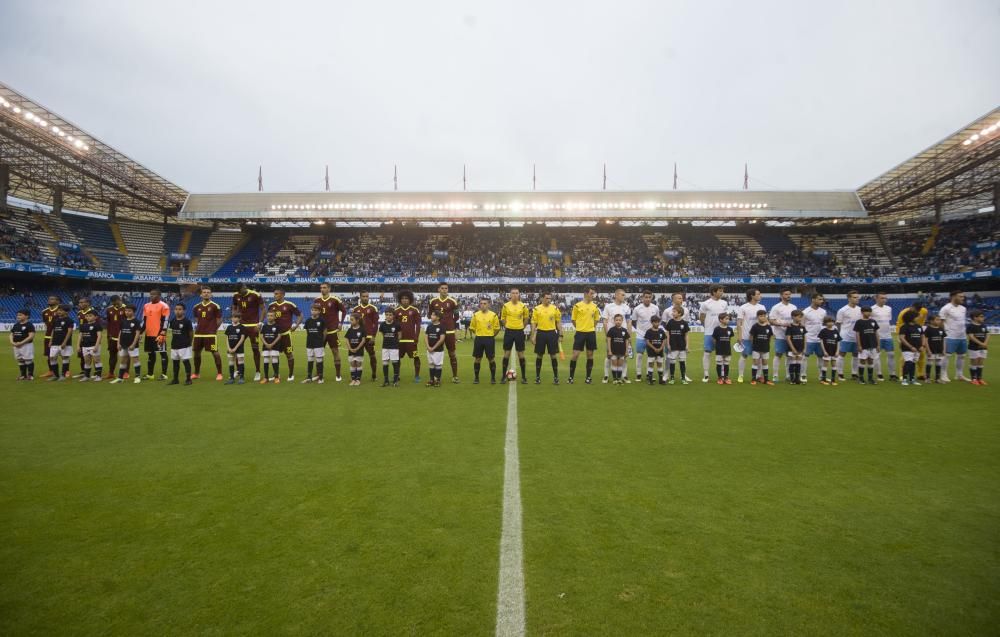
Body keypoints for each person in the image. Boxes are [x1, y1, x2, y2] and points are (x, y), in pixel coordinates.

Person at [427, 283, 461, 382]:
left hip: (449, 331)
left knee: (452, 354)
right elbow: (430, 315)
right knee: (435, 353)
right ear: (439, 289)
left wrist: (450, 325)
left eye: (446, 288)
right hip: (436, 332)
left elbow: (457, 316)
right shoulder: (432, 301)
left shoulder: (453, 301)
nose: (444, 290)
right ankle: (435, 377)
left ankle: (455, 376)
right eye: (442, 288)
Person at [314, 283, 347, 381]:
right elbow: (315, 313)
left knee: (335, 351)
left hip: (332, 330)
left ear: (329, 289)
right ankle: (318, 374)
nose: (322, 289)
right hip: (320, 331)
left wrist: (341, 322)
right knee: (319, 353)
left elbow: (344, 311)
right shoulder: (317, 300)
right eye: (321, 288)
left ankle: (338, 375)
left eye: (324, 288)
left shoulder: (335, 299)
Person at [268, 288, 302, 381]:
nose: (274, 295)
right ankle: (276, 374)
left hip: (286, 334)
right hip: (275, 335)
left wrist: (295, 325)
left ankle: (291, 375)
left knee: (289, 354)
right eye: (274, 293)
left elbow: (300, 315)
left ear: (282, 294)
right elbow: (270, 318)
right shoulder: (271, 305)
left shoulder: (289, 305)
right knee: (275, 355)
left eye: (276, 294)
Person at [569, 287, 601, 384]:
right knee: (575, 355)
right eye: (591, 293)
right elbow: (573, 320)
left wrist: (590, 328)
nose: (593, 295)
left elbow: (596, 320)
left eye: (593, 294)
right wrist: (580, 328)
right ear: (586, 294)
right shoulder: (577, 306)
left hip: (591, 333)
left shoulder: (595, 306)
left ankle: (588, 377)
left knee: (590, 355)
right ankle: (571, 377)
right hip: (580, 333)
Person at [232, 284, 265, 381]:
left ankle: (258, 371)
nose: (244, 290)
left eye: (244, 288)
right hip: (241, 326)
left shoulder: (255, 295)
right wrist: (235, 318)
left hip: (253, 326)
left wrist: (260, 323)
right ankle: (238, 370)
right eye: (241, 290)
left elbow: (263, 309)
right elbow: (234, 308)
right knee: (237, 348)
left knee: (255, 349)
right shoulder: (235, 296)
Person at [530, 291, 562, 385]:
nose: (549, 300)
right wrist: (533, 335)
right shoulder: (537, 309)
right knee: (539, 355)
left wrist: (561, 334)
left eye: (550, 298)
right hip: (541, 333)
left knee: (553, 355)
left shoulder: (555, 308)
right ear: (542, 298)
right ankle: (537, 377)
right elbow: (534, 323)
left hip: (552, 333)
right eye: (547, 298)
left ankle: (556, 377)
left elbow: (558, 322)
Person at [192, 287, 223, 381]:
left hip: (210, 335)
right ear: (201, 294)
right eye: (204, 292)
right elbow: (197, 319)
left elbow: (219, 320)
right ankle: (197, 373)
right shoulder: (196, 307)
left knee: (215, 353)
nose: (206, 294)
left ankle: (219, 373)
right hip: (198, 334)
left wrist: (213, 330)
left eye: (208, 292)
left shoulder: (215, 306)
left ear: (211, 294)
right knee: (196, 353)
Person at [736, 289, 767, 383]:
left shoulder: (762, 306)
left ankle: (758, 376)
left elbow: (765, 320)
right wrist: (739, 336)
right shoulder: (743, 307)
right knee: (744, 355)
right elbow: (739, 323)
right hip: (746, 336)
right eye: (758, 294)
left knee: (760, 357)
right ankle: (740, 375)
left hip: (760, 337)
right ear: (752, 296)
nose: (760, 295)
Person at [699, 285, 729, 383]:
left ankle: (723, 375)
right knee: (707, 353)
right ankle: (706, 374)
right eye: (720, 291)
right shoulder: (705, 304)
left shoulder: (724, 303)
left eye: (722, 291)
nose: (722, 293)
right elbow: (702, 317)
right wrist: (707, 327)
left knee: (723, 354)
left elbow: (725, 317)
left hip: (722, 333)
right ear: (713, 292)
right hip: (709, 332)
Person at [602, 289, 632, 384]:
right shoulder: (608, 307)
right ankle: (606, 376)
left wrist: (629, 336)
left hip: (623, 336)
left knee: (624, 357)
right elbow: (605, 322)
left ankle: (624, 376)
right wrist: (607, 336)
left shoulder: (627, 307)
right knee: (609, 356)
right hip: (612, 336)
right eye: (622, 295)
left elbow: (629, 322)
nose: (624, 296)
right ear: (616, 295)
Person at [938, 290, 969, 383]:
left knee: (962, 356)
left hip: (962, 336)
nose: (962, 298)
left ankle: (959, 375)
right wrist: (944, 334)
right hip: (950, 336)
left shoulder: (963, 308)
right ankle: (943, 374)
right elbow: (941, 323)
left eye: (963, 296)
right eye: (960, 296)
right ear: (953, 297)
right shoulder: (946, 308)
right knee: (946, 356)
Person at [501, 288, 530, 384]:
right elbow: (503, 318)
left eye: (516, 293)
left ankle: (524, 377)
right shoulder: (505, 306)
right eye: (513, 293)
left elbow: (526, 318)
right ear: (510, 295)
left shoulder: (523, 306)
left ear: (519, 295)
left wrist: (521, 327)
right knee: (506, 354)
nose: (514, 295)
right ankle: (503, 376)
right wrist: (507, 326)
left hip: (519, 332)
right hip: (509, 331)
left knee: (521, 354)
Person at [630, 290, 660, 382]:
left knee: (650, 356)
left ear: (651, 298)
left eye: (649, 297)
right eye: (645, 297)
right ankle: (638, 374)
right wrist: (640, 330)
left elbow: (657, 320)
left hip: (652, 336)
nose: (647, 299)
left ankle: (648, 374)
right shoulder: (637, 309)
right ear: (642, 298)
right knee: (639, 355)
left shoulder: (655, 308)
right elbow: (633, 322)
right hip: (640, 335)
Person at [768, 287, 796, 383]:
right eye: (786, 294)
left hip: (791, 335)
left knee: (790, 355)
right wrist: (783, 324)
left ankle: (788, 375)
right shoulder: (776, 307)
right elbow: (771, 321)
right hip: (780, 334)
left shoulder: (793, 307)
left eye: (789, 294)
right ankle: (775, 375)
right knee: (778, 354)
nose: (788, 296)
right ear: (781, 296)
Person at [353, 291, 382, 382]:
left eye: (367, 296)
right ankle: (356, 376)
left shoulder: (373, 308)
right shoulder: (356, 309)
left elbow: (376, 324)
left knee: (372, 356)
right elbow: (353, 324)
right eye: (364, 296)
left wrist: (373, 336)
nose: (366, 298)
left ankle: (374, 374)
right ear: (360, 297)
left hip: (369, 336)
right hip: (357, 337)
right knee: (356, 357)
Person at [394, 291, 423, 383]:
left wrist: (416, 337)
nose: (404, 300)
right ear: (400, 300)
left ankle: (417, 375)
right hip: (400, 340)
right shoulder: (396, 311)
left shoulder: (415, 310)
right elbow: (394, 326)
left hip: (411, 340)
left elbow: (418, 325)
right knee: (397, 358)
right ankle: (397, 375)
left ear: (410, 299)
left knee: (416, 357)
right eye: (403, 298)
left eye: (406, 298)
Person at [142, 289, 171, 380]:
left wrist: (163, 332)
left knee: (162, 353)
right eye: (150, 294)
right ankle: (150, 374)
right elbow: (144, 320)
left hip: (159, 334)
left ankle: (164, 374)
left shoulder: (164, 306)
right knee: (150, 354)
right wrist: (140, 332)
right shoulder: (146, 305)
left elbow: (165, 320)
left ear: (159, 296)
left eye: (154, 294)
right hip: (149, 334)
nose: (151, 296)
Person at [470, 297, 500, 385]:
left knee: (491, 359)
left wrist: (491, 335)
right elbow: (472, 327)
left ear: (489, 305)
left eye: (485, 303)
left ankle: (493, 378)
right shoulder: (476, 315)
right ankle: (476, 378)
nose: (482, 305)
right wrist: (478, 333)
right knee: (477, 359)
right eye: (481, 303)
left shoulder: (493, 315)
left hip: (489, 339)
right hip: (479, 338)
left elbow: (497, 328)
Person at [111, 304, 143, 384]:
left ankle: (137, 377)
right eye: (126, 311)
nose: (127, 312)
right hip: (123, 344)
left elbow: (137, 334)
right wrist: (118, 343)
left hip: (132, 345)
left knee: (135, 359)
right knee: (123, 360)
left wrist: (133, 344)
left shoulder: (136, 321)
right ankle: (120, 378)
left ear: (134, 312)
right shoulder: (123, 321)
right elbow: (120, 332)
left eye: (129, 311)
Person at [835, 290, 863, 381]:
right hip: (845, 336)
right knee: (842, 354)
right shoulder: (842, 310)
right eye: (854, 297)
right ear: (849, 298)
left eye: (857, 297)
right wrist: (839, 336)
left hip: (856, 337)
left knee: (856, 355)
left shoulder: (860, 310)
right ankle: (840, 373)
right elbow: (838, 324)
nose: (857, 299)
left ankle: (854, 373)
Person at [801, 293, 827, 384]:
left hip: (819, 339)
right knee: (804, 357)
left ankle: (821, 376)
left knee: (821, 357)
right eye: (819, 299)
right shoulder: (805, 312)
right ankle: (803, 375)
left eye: (822, 299)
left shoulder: (823, 312)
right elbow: (802, 326)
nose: (821, 301)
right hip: (808, 338)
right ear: (813, 299)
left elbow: (823, 325)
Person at [871, 292, 896, 382]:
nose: (884, 300)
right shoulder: (872, 309)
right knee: (877, 356)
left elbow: (888, 321)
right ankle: (879, 374)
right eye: (882, 298)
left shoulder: (889, 308)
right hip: (877, 336)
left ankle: (892, 374)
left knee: (891, 354)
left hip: (888, 336)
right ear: (876, 298)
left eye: (885, 298)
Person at [167, 303, 194, 386]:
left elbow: (191, 333)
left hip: (184, 345)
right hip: (174, 345)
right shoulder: (172, 321)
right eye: (176, 309)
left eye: (180, 309)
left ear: (184, 311)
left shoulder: (187, 321)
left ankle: (188, 379)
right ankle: (175, 379)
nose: (177, 311)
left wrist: (189, 342)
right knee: (175, 363)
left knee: (186, 362)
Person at [853, 306, 880, 385]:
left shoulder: (873, 321)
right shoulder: (859, 322)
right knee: (862, 361)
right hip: (863, 345)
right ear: (862, 312)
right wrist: (859, 345)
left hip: (872, 345)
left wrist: (878, 344)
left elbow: (876, 333)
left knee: (871, 360)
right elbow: (857, 334)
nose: (868, 313)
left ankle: (870, 378)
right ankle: (861, 378)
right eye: (866, 311)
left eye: (869, 311)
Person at [47, 305, 74, 381]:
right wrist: (51, 340)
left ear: (66, 312)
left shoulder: (69, 320)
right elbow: (53, 330)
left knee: (65, 357)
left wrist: (65, 342)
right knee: (52, 358)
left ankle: (63, 375)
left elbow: (69, 332)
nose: (59, 312)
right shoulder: (56, 320)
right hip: (55, 342)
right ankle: (55, 375)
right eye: (58, 310)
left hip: (64, 343)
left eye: (61, 310)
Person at [302, 304, 327, 384]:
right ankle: (309, 377)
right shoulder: (308, 321)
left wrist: (321, 341)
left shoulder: (322, 320)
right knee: (310, 360)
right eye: (312, 310)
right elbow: (307, 332)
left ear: (319, 311)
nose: (314, 311)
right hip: (309, 343)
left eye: (316, 310)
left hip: (318, 344)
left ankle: (321, 378)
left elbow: (325, 332)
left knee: (319, 360)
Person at [665, 306, 690, 385]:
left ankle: (683, 378)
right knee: (672, 362)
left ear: (679, 313)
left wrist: (687, 346)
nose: (672, 313)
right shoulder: (670, 322)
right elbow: (668, 334)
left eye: (674, 312)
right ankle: (672, 378)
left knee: (682, 362)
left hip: (682, 346)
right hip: (673, 346)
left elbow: (686, 335)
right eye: (673, 311)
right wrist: (668, 344)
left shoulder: (684, 323)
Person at [898, 311, 924, 387]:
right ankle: (904, 379)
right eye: (916, 316)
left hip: (918, 348)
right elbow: (902, 338)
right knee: (908, 362)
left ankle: (912, 379)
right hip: (907, 348)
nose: (918, 318)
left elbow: (922, 336)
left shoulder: (918, 326)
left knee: (913, 363)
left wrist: (922, 345)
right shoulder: (904, 326)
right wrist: (910, 347)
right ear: (911, 317)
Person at [74, 297, 98, 378]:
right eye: (79, 302)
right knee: (82, 356)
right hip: (83, 337)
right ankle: (83, 371)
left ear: (87, 303)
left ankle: (96, 372)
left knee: (95, 357)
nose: (79, 304)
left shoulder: (93, 311)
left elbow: (97, 326)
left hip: (92, 338)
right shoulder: (79, 313)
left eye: (82, 302)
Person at [749, 310, 774, 386]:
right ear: (757, 317)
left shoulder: (768, 327)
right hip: (756, 348)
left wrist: (766, 345)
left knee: (765, 363)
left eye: (764, 316)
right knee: (755, 363)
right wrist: (754, 346)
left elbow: (770, 337)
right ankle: (753, 379)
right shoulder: (755, 326)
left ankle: (766, 380)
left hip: (765, 348)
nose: (763, 317)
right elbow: (751, 337)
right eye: (761, 316)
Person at [77, 311, 103, 382]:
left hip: (94, 345)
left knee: (97, 360)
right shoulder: (83, 325)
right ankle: (87, 376)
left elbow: (99, 336)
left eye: (90, 316)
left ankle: (98, 376)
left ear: (95, 317)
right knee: (87, 361)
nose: (88, 317)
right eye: (87, 316)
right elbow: (80, 336)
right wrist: (78, 346)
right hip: (85, 346)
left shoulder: (97, 325)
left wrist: (96, 346)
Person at [379, 307, 402, 387]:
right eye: (387, 315)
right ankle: (386, 380)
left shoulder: (397, 324)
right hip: (385, 346)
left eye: (390, 315)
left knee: (395, 363)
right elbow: (382, 334)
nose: (388, 316)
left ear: (393, 316)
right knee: (385, 363)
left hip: (394, 347)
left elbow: (399, 335)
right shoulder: (382, 325)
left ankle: (395, 381)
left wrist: (395, 341)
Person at [104, 295, 126, 379]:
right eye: (113, 303)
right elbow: (109, 323)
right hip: (112, 336)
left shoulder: (126, 308)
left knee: (125, 355)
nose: (114, 304)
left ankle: (125, 372)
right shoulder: (109, 309)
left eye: (115, 302)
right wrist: (108, 335)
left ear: (119, 300)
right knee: (112, 355)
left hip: (123, 336)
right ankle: (111, 372)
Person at [10, 309, 35, 380]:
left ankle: (30, 375)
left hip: (26, 345)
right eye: (18, 315)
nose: (18, 316)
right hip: (16, 345)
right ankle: (23, 375)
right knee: (20, 359)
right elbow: (11, 334)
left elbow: (31, 336)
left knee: (28, 359)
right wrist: (12, 342)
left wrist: (21, 343)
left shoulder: (29, 325)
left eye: (20, 315)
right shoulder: (16, 325)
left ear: (27, 316)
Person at [605, 314, 630, 385]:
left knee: (620, 365)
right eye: (616, 320)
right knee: (614, 364)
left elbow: (627, 341)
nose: (618, 321)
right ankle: (614, 379)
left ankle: (619, 379)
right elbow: (609, 340)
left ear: (622, 321)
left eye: (619, 320)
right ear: (614, 321)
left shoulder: (624, 330)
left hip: (622, 351)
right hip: (613, 351)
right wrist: (609, 351)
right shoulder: (611, 330)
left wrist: (626, 351)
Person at [224, 313, 247, 385]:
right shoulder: (229, 327)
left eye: (236, 317)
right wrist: (228, 348)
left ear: (239, 318)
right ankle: (231, 378)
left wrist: (235, 348)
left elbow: (242, 338)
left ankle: (241, 378)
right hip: (230, 348)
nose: (234, 319)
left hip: (239, 348)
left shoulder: (242, 327)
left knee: (240, 361)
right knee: (231, 362)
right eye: (233, 317)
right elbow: (227, 338)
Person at [424, 310, 446, 387]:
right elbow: (426, 337)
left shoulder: (442, 327)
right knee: (431, 364)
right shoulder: (429, 326)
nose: (431, 316)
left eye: (433, 315)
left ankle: (437, 380)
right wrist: (428, 347)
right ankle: (431, 380)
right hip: (429, 349)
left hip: (438, 350)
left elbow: (442, 339)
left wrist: (433, 348)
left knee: (438, 365)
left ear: (438, 317)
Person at [967, 310, 989, 385]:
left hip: (983, 347)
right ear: (975, 318)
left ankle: (979, 378)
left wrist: (985, 343)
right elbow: (971, 336)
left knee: (981, 362)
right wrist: (981, 343)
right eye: (981, 316)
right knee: (974, 362)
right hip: (974, 347)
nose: (983, 318)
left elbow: (988, 334)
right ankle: (973, 379)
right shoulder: (970, 326)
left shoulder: (984, 325)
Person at [712, 312, 734, 385]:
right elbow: (714, 339)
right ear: (721, 320)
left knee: (726, 363)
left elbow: (729, 339)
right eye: (726, 319)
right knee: (719, 363)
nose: (728, 320)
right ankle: (720, 378)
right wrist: (716, 347)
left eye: (728, 319)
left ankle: (726, 377)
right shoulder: (717, 329)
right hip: (719, 349)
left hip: (727, 349)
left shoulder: (730, 329)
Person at [644, 315, 667, 385]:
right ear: (652, 322)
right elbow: (647, 341)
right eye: (655, 322)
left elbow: (664, 340)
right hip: (651, 351)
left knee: (660, 364)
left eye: (658, 322)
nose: (656, 324)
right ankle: (650, 380)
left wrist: (660, 348)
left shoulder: (661, 331)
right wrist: (654, 348)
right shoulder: (649, 331)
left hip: (660, 351)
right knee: (651, 364)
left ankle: (661, 380)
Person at [818, 316, 841, 385]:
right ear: (825, 323)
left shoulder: (836, 331)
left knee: (834, 365)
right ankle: (823, 379)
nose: (830, 323)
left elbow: (838, 342)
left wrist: (837, 351)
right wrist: (824, 351)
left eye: (831, 322)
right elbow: (821, 342)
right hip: (827, 351)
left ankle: (833, 380)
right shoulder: (823, 331)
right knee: (825, 364)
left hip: (834, 351)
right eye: (828, 322)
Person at [922, 314, 946, 384]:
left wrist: (944, 349)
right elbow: (926, 340)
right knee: (929, 363)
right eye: (937, 320)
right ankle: (927, 378)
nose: (939, 321)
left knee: (938, 363)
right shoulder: (928, 329)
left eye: (939, 320)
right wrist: (928, 350)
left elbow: (943, 340)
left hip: (939, 350)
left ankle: (937, 379)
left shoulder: (941, 329)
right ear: (931, 321)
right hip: (931, 350)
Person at [785, 309, 807, 384]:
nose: (800, 318)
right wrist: (793, 348)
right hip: (792, 349)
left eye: (801, 317)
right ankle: (792, 379)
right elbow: (788, 338)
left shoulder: (802, 327)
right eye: (798, 317)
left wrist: (804, 348)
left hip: (800, 348)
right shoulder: (790, 327)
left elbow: (804, 338)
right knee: (792, 362)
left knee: (798, 363)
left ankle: (797, 379)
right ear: (793, 317)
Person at [260, 310, 282, 383]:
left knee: (274, 360)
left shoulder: (277, 326)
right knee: (266, 360)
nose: (269, 317)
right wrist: (266, 344)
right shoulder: (265, 326)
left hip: (275, 346)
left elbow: (279, 336)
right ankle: (266, 378)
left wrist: (272, 344)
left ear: (275, 317)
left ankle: (276, 377)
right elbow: (262, 336)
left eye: (271, 315)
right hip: (266, 346)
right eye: (268, 316)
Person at [40, 295, 59, 378]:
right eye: (49, 299)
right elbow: (46, 323)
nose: (50, 300)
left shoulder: (60, 310)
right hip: (48, 336)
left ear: (57, 301)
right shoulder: (44, 311)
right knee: (49, 354)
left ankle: (66, 371)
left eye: (52, 299)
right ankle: (51, 371)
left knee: (63, 353)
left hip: (59, 335)